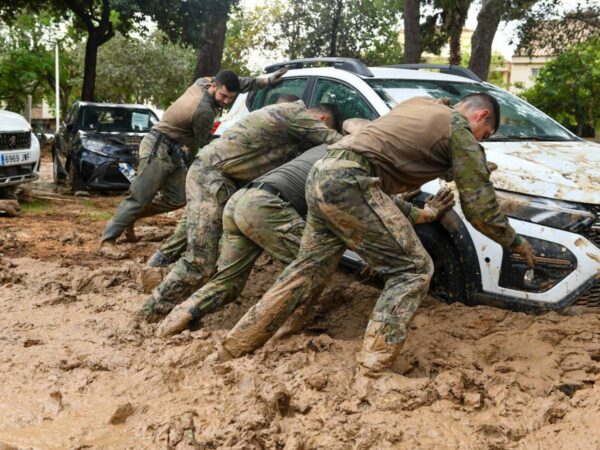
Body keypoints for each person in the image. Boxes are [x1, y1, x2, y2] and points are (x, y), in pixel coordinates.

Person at [217, 93, 537, 372]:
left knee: (305, 271)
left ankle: (232, 348)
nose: (480, 139)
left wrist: (458, 167)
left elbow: (385, 144)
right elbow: (480, 210)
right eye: (485, 133)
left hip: (323, 175)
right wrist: (516, 243)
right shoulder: (459, 128)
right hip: (352, 181)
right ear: (480, 116)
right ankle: (374, 370)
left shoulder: (419, 105)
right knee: (413, 270)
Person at [156, 137, 455, 338]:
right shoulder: (353, 163)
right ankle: (287, 331)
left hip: (241, 201)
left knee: (228, 283)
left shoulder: (327, 150)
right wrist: (426, 214)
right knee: (312, 270)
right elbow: (377, 205)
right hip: (267, 208)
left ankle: (174, 321)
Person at [139, 99, 344, 323]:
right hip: (213, 178)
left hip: (222, 181)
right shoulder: (297, 114)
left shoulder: (283, 116)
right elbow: (341, 145)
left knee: (191, 240)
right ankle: (148, 315)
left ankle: (155, 281)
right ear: (322, 119)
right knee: (200, 261)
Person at [99, 69, 286, 258]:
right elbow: (200, 144)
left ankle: (131, 217)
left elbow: (238, 82)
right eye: (223, 96)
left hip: (173, 148)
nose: (226, 101)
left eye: (230, 98)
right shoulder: (203, 111)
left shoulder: (203, 82)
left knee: (178, 197)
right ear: (214, 87)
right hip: (157, 146)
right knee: (139, 196)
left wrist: (266, 81)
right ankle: (108, 241)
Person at [147, 94, 304, 267]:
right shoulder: (280, 130)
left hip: (224, 180)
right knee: (203, 235)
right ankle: (177, 268)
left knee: (194, 220)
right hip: (221, 181)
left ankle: (163, 259)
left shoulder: (258, 123)